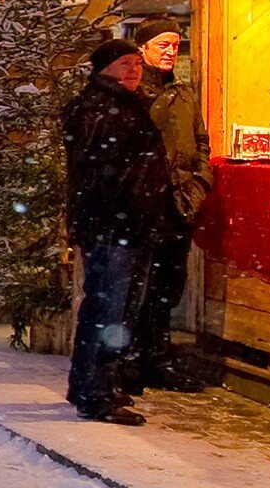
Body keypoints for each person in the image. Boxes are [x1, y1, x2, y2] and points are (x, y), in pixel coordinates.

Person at [63, 39, 174, 425]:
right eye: (125, 63)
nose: (134, 70)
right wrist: (128, 208)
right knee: (110, 310)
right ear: (103, 68)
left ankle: (93, 384)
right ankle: (95, 393)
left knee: (114, 308)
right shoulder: (100, 109)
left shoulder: (122, 106)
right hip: (114, 226)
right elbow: (98, 171)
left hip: (128, 225)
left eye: (138, 64)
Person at [134, 29, 211, 393]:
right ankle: (133, 358)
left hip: (180, 205)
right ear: (143, 48)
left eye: (175, 45)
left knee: (168, 285)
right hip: (143, 206)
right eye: (162, 44)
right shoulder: (133, 93)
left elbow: (201, 144)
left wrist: (199, 186)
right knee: (139, 285)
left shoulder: (183, 94)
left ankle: (158, 358)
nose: (170, 51)